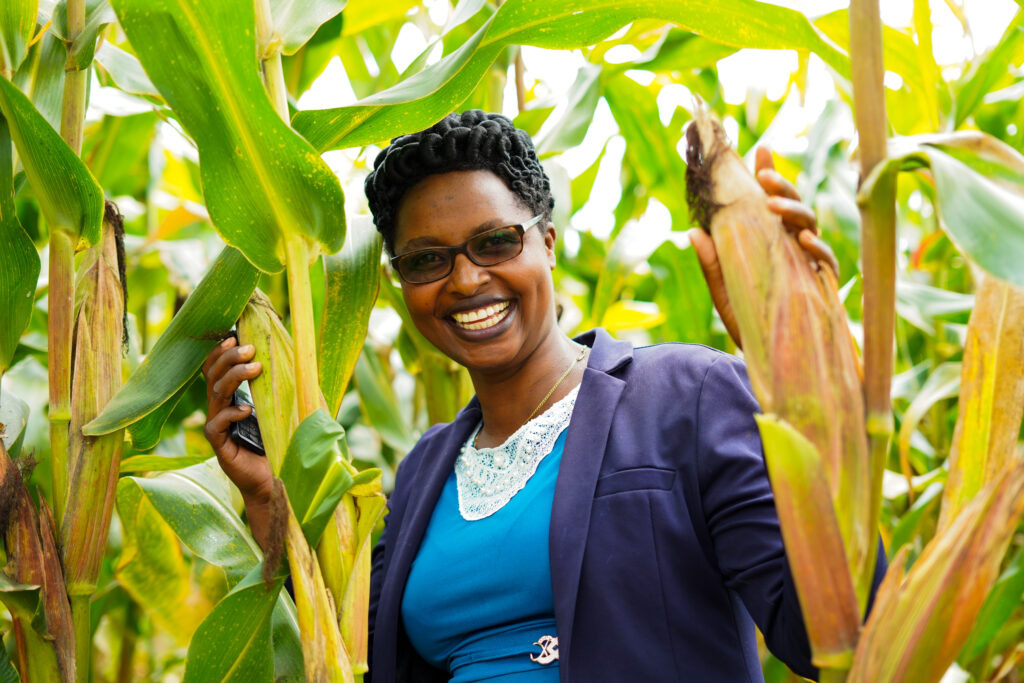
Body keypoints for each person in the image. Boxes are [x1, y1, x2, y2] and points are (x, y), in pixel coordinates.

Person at [202, 110, 882, 682]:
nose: (465, 279)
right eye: (426, 259)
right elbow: (361, 657)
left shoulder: (687, 395)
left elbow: (836, 633)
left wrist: (804, 379)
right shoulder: (423, 471)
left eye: (495, 241)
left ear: (548, 244)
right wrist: (268, 501)